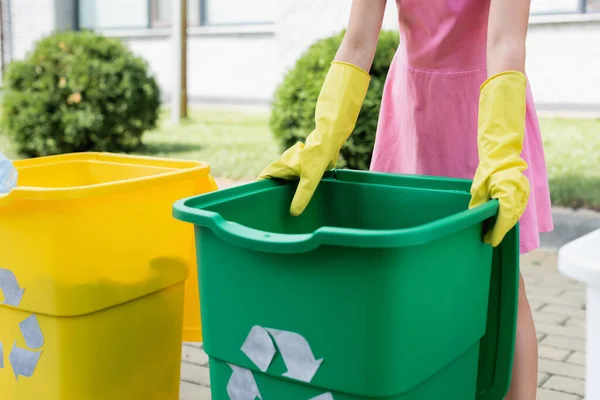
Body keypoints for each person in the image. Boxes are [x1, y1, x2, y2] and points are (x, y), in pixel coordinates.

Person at [259, 0, 554, 398]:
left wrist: (500, 153)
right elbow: (359, 41)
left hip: (486, 107)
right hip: (414, 107)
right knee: (414, 273)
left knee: (500, 283)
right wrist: (323, 136)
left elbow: (505, 42)